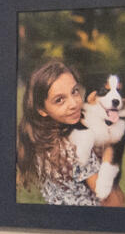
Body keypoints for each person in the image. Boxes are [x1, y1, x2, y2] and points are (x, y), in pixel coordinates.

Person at [17, 57, 114, 205]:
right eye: (59, 100)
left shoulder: (40, 139)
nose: (74, 103)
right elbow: (113, 201)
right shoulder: (76, 149)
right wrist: (108, 154)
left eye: (75, 91)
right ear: (41, 109)